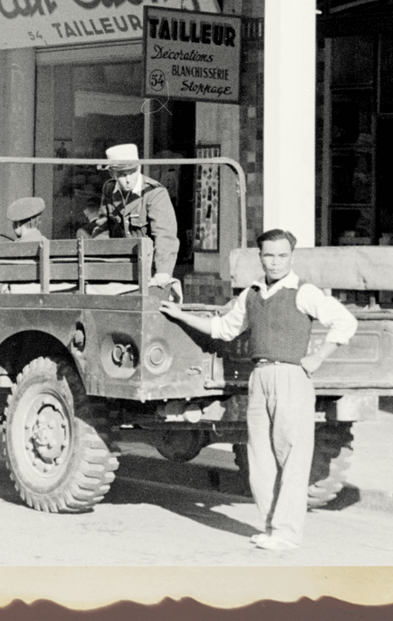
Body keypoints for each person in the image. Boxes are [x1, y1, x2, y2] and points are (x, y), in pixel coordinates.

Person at [159, 229, 359, 551]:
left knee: (292, 456)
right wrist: (181, 316)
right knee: (259, 456)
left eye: (282, 256)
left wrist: (318, 356)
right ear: (260, 257)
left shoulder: (303, 292)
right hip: (259, 377)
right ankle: (271, 527)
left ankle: (288, 533)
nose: (275, 262)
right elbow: (223, 329)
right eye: (269, 255)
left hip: (292, 376)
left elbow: (345, 321)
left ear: (291, 257)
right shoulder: (251, 294)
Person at [89, 143, 179, 287]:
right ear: (112, 173)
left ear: (139, 168)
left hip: (150, 272)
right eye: (123, 175)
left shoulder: (154, 192)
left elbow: (165, 235)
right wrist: (94, 264)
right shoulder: (109, 189)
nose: (129, 179)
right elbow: (103, 230)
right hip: (120, 270)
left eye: (132, 172)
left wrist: (163, 271)